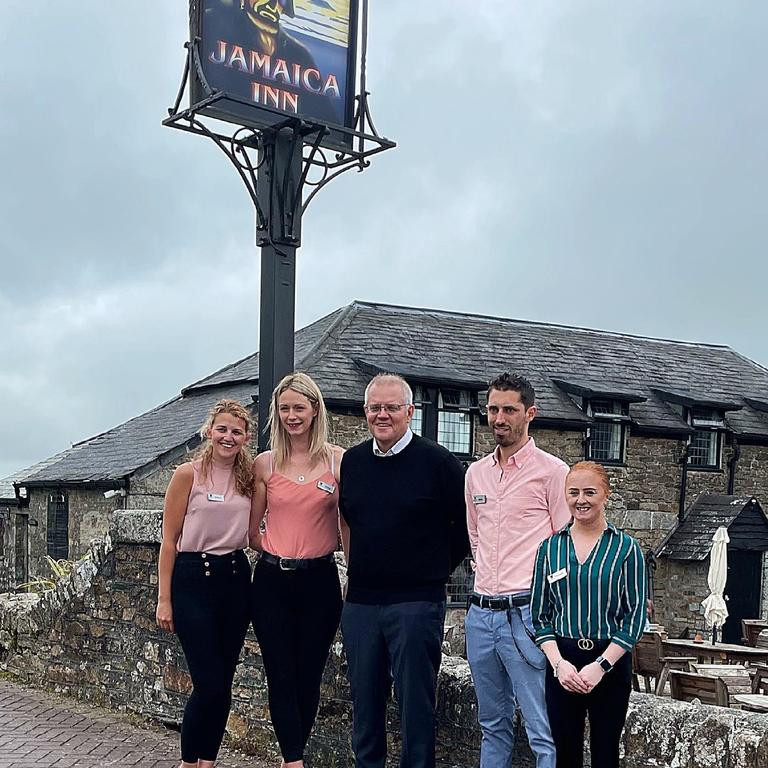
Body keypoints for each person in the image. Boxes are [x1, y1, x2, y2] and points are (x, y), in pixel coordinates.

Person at [339, 373, 469, 768]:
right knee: (364, 705)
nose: (383, 415)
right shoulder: (353, 461)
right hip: (361, 603)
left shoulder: (440, 463)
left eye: (392, 407)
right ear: (365, 412)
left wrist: (428, 571)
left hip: (416, 602)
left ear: (410, 412)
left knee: (415, 707)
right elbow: (349, 519)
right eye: (375, 408)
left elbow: (464, 530)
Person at [464, 372, 571, 768]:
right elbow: (475, 538)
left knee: (541, 728)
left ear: (530, 414)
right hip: (479, 616)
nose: (499, 418)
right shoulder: (475, 474)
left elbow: (566, 547)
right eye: (493, 409)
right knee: (491, 723)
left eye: (509, 409)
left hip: (526, 616)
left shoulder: (553, 472)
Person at [249, 372, 344, 768]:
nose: (292, 415)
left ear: (314, 409)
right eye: (285, 408)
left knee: (309, 676)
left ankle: (295, 755)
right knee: (280, 674)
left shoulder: (339, 461)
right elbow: (251, 530)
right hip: (272, 580)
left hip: (320, 581)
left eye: (298, 407)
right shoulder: (265, 464)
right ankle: (293, 761)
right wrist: (279, 548)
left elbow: (348, 525)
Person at [156, 399, 254, 768]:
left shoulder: (250, 477)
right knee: (208, 682)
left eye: (237, 431)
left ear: (245, 437)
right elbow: (169, 540)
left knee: (223, 683)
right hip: (193, 578)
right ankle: (187, 763)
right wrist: (164, 598)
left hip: (234, 578)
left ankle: (207, 762)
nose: (229, 437)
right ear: (209, 431)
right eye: (222, 429)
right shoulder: (188, 474)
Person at [531, 461, 647, 768]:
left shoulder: (626, 549)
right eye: (573, 492)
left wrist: (601, 665)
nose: (581, 499)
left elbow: (635, 616)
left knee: (605, 753)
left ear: (606, 495)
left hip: (609, 661)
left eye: (589, 492)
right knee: (564, 754)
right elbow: (540, 616)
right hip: (563, 662)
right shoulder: (549, 549)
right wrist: (558, 665)